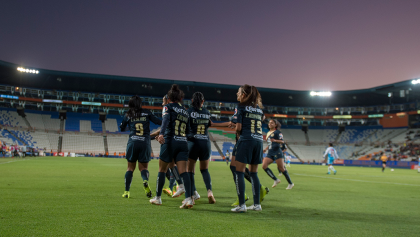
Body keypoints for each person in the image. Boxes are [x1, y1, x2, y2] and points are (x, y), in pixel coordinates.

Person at [150, 84, 194, 208]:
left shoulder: (168, 107)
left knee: (162, 170)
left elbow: (165, 121)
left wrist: (162, 134)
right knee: (184, 172)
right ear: (180, 98)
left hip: (169, 141)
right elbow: (189, 130)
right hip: (183, 142)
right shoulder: (185, 111)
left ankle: (158, 198)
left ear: (169, 98)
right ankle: (188, 199)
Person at [186, 92, 231, 204]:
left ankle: (191, 196)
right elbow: (212, 124)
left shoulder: (189, 112)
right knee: (204, 170)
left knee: (190, 171)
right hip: (205, 143)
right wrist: (228, 123)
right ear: (202, 101)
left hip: (193, 142)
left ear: (192, 101)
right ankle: (210, 192)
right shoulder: (206, 112)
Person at [120, 95, 162, 199]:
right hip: (145, 143)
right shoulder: (147, 112)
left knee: (130, 168)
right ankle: (145, 180)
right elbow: (158, 121)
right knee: (143, 168)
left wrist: (130, 126)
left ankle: (126, 192)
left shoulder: (128, 115)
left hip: (133, 141)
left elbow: (122, 128)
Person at [231, 84, 265, 213]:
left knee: (239, 172)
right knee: (254, 173)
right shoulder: (259, 110)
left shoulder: (240, 106)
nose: (237, 94)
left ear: (244, 95)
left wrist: (236, 128)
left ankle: (241, 205)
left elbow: (238, 127)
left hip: (246, 140)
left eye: (239, 92)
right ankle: (257, 205)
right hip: (259, 141)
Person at [262, 120, 294, 189]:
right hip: (270, 152)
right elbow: (270, 143)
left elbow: (282, 141)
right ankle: (276, 179)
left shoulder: (278, 132)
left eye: (272, 123)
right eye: (269, 123)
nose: (270, 124)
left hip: (277, 151)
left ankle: (290, 183)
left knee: (281, 168)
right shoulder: (268, 133)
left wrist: (275, 140)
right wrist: (265, 149)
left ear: (275, 125)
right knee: (264, 166)